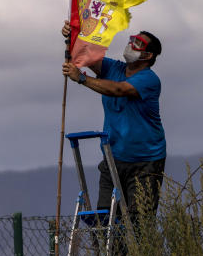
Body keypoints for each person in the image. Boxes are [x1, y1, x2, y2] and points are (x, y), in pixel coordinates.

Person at [61, 22, 166, 226]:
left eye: (138, 43)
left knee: (139, 224)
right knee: (105, 220)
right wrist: (72, 35)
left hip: (144, 163)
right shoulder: (114, 68)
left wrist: (82, 79)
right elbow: (84, 55)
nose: (131, 45)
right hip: (113, 159)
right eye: (131, 40)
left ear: (148, 55)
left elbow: (118, 90)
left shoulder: (149, 80)